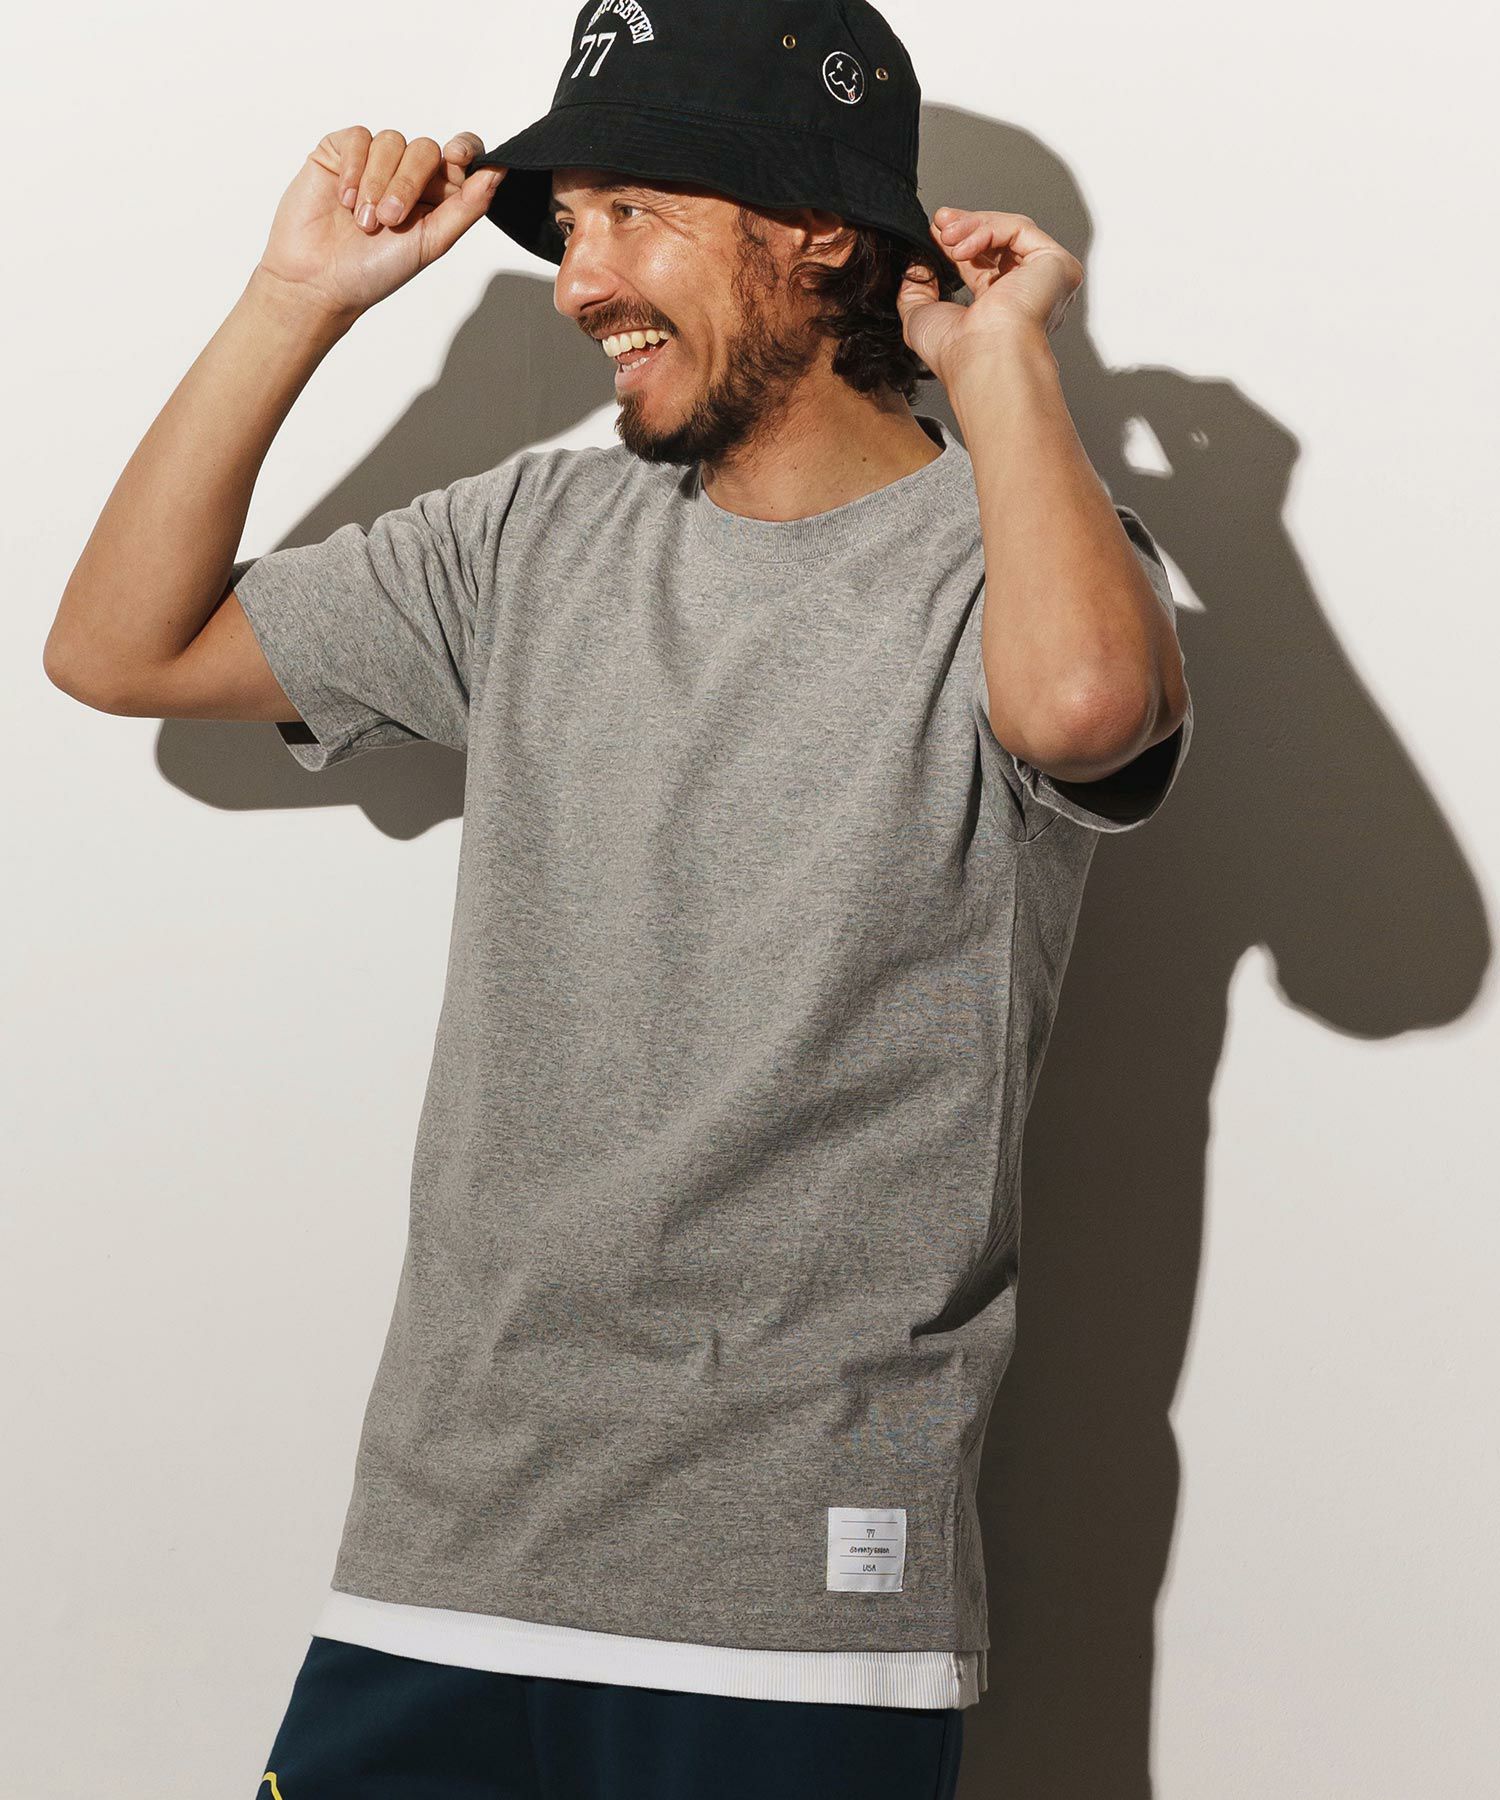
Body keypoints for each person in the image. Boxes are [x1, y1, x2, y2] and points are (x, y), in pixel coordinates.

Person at [43, 2, 1192, 1794]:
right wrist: (297, 301)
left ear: (819, 230)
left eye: (635, 210)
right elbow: (117, 648)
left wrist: (1002, 366)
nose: (580, 279)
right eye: (567, 222)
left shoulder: (1020, 561)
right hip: (446, 1550)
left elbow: (1089, 711)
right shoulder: (531, 541)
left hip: (792, 1591)